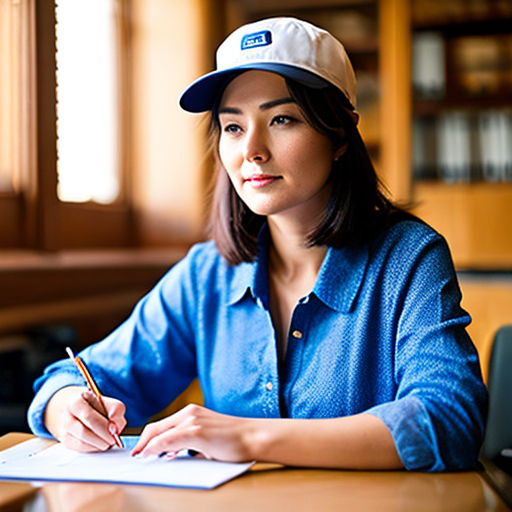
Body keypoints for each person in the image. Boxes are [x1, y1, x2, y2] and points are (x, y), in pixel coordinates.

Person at [28, 17, 487, 471]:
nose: (252, 150)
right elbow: (75, 377)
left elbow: (447, 420)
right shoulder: (207, 273)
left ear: (341, 132)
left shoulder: (409, 257)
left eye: (282, 119)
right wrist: (68, 406)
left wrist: (246, 435)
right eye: (232, 127)